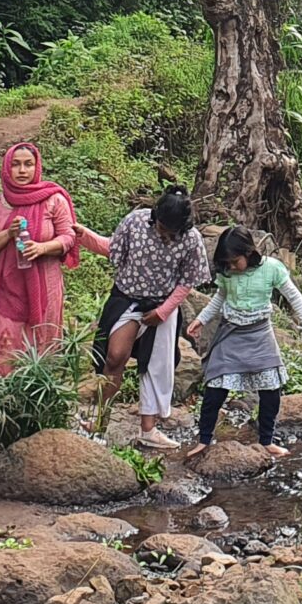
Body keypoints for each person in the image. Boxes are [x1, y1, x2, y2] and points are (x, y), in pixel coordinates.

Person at [74, 187, 208, 450]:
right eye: (160, 227)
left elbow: (187, 282)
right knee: (114, 356)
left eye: (170, 232)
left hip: (162, 306)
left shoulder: (191, 240)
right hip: (127, 298)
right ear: (155, 215)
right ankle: (99, 421)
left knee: (155, 367)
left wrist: (163, 312)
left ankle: (149, 430)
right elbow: (113, 249)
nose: (163, 234)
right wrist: (85, 236)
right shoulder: (136, 221)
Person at [187, 226, 302, 458]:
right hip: (231, 333)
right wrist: (201, 319)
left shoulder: (271, 268)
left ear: (248, 252)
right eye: (226, 262)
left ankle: (267, 440)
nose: (231, 266)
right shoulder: (227, 273)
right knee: (215, 387)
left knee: (271, 389)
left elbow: (293, 296)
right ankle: (204, 439)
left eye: (234, 261)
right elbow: (220, 298)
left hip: (260, 334)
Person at [0, 141, 77, 378]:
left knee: (42, 341)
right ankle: (1, 401)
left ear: (37, 167)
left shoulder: (53, 200)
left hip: (45, 286)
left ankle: (35, 404)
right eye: (16, 165)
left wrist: (42, 248)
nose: (22, 170)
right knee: (4, 341)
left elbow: (69, 237)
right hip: (4, 287)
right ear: (7, 168)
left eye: (28, 164)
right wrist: (8, 234)